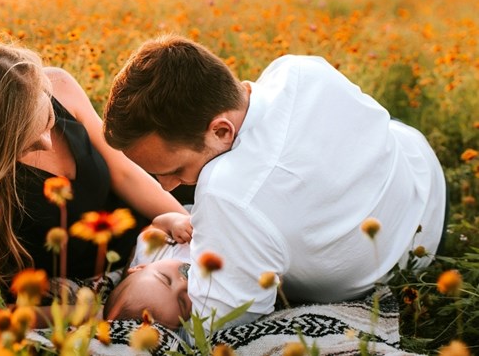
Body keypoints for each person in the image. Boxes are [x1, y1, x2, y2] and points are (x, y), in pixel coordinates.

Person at [101, 35, 446, 328]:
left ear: (222, 130)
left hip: (408, 257)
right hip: (422, 172)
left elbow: (222, 321)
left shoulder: (229, 193)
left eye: (174, 170)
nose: (166, 188)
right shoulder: (298, 68)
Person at [0, 37, 189, 302]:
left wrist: (191, 227)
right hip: (113, 279)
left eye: (49, 120)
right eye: (25, 143)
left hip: (153, 231)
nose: (47, 143)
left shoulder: (60, 86)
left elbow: (123, 171)